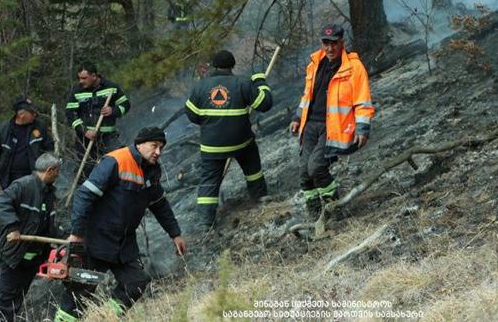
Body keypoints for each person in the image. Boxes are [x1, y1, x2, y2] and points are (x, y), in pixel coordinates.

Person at [55, 127, 186, 321]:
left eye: (161, 147)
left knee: (137, 283)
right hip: (96, 240)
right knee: (79, 293)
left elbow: (160, 205)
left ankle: (105, 317)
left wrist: (175, 233)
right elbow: (85, 194)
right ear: (140, 144)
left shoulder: (152, 171)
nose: (158, 152)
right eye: (154, 146)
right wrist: (77, 233)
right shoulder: (116, 161)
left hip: (123, 244)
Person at [290, 24, 374, 217]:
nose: (329, 48)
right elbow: (307, 96)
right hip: (310, 125)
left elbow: (363, 100)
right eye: (325, 43)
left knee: (317, 167)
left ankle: (336, 209)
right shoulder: (314, 64)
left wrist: (362, 128)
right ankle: (316, 214)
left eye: (333, 43)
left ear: (342, 42)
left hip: (333, 127)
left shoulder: (354, 68)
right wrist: (297, 116)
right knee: (304, 173)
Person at [184, 49, 273, 230]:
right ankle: (261, 200)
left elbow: (191, 115)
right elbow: (265, 104)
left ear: (214, 66)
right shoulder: (242, 83)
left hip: (212, 147)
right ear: (232, 66)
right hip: (241, 142)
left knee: (209, 181)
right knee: (252, 166)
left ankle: (205, 222)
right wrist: (260, 82)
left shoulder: (201, 86)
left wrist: (210, 123)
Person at [0, 153, 62, 322]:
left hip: (33, 259)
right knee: (5, 301)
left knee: (17, 299)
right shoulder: (24, 186)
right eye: (57, 171)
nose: (58, 175)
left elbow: (48, 226)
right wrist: (13, 227)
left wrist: (68, 237)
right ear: (50, 170)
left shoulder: (49, 193)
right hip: (15, 255)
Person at [64, 61, 130, 171]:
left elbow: (126, 105)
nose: (81, 81)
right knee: (86, 170)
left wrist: (113, 110)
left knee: (120, 164)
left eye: (84, 78)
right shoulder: (77, 91)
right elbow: (70, 113)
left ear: (94, 76)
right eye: (79, 78)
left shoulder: (111, 87)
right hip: (85, 140)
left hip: (108, 138)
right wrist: (85, 131)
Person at [0, 94, 54, 192]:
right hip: (8, 180)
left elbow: (49, 149)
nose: (35, 115)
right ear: (21, 114)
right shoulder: (2, 131)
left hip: (34, 178)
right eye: (31, 112)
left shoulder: (39, 127)